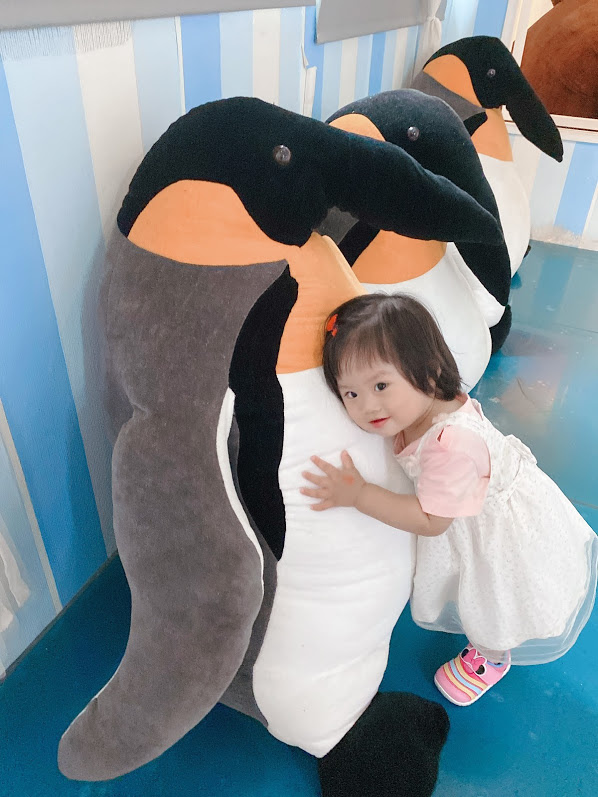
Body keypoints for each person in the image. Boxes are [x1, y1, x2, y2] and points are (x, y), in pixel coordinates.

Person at [301, 293, 597, 706]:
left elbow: (431, 520)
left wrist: (359, 494)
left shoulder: (451, 445)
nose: (367, 406)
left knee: (496, 602)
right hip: (477, 508)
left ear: (429, 370)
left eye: (381, 385)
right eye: (350, 394)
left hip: (497, 537)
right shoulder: (424, 407)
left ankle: (491, 656)